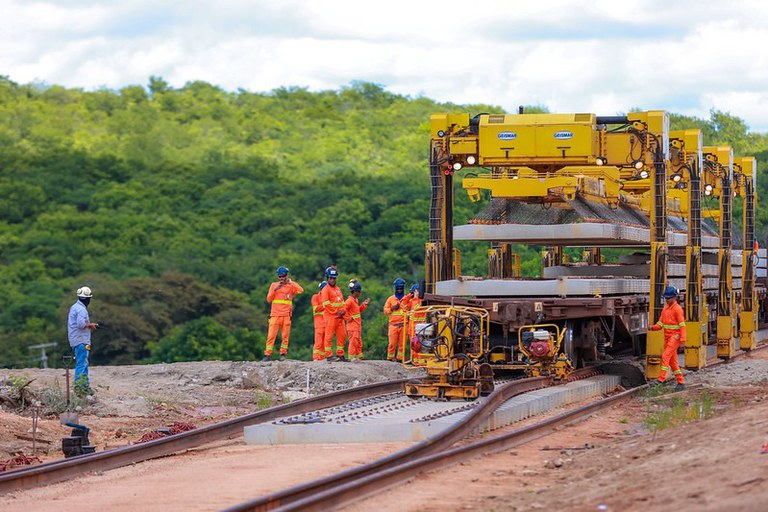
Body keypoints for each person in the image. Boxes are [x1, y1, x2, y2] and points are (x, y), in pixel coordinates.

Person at [263, 266, 304, 362]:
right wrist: (276, 289)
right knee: (271, 336)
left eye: (283, 276)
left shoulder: (290, 286)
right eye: (280, 276)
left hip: (286, 315)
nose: (281, 278)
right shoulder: (273, 285)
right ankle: (267, 354)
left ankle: (283, 354)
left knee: (285, 336)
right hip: (275, 315)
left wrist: (291, 282)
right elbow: (269, 299)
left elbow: (301, 290)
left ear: (286, 276)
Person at [649, 285, 686, 390]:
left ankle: (660, 380)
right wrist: (652, 328)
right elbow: (661, 323)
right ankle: (681, 381)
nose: (667, 300)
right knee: (672, 362)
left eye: (668, 298)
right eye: (666, 298)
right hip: (668, 337)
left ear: (674, 297)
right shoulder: (665, 309)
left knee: (665, 356)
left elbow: (682, 325)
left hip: (675, 337)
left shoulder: (678, 309)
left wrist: (683, 339)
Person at [67, 286, 98, 396]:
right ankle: (80, 388)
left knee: (83, 362)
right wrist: (91, 325)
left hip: (76, 340)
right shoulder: (81, 310)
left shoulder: (74, 307)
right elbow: (80, 324)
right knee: (82, 363)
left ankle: (84, 386)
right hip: (81, 340)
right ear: (88, 299)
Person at [320, 266, 348, 361]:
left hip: (340, 317)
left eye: (334, 278)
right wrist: (337, 312)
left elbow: (343, 302)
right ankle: (329, 356)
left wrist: (343, 310)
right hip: (331, 317)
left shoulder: (338, 289)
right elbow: (326, 304)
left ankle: (340, 355)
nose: (333, 280)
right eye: (331, 278)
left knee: (342, 335)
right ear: (327, 278)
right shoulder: (325, 290)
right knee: (329, 336)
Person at [383, 277, 410, 362]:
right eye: (398, 288)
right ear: (395, 288)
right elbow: (385, 311)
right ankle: (390, 358)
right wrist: (392, 308)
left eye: (401, 288)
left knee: (402, 344)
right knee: (392, 344)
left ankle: (399, 359)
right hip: (393, 326)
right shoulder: (391, 299)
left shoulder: (406, 299)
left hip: (404, 325)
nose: (399, 290)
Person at [345, 279, 370, 360]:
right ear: (355, 291)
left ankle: (360, 357)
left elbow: (358, 311)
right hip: (352, 326)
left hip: (357, 326)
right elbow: (342, 310)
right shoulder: (349, 301)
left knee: (358, 342)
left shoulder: (355, 300)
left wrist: (364, 304)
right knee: (353, 342)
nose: (360, 293)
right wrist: (348, 318)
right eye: (359, 291)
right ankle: (351, 357)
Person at [405, 284, 427, 365]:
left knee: (419, 345)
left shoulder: (422, 301)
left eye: (413, 292)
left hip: (419, 328)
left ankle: (420, 362)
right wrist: (408, 297)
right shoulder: (411, 301)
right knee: (413, 345)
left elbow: (417, 308)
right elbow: (403, 306)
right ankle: (414, 361)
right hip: (412, 328)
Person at [311, 281, 328, 361]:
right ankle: (316, 358)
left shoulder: (328, 297)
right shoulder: (315, 297)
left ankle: (323, 358)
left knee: (326, 342)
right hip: (319, 323)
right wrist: (325, 305)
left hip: (327, 323)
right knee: (318, 341)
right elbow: (316, 308)